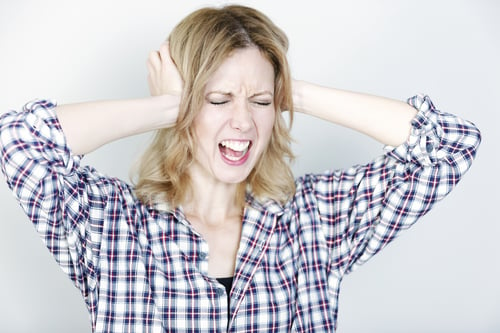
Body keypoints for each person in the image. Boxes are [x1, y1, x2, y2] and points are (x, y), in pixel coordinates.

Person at [0, 4, 481, 333]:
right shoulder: (108, 221)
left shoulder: (314, 220)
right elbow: (18, 140)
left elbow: (451, 145)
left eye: (262, 101)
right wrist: (169, 106)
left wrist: (291, 88)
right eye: (217, 98)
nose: (243, 122)